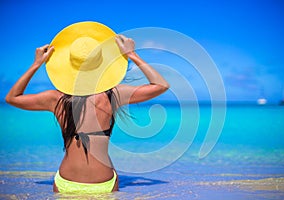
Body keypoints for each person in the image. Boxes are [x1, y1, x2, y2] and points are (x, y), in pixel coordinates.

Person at [5, 21, 169, 194]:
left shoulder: (56, 99)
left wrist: (37, 63)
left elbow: (12, 98)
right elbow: (161, 85)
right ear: (101, 65)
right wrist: (131, 54)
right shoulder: (112, 95)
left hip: (66, 182)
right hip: (103, 183)